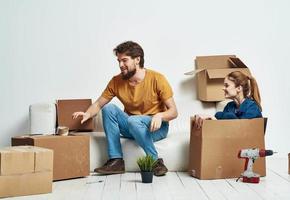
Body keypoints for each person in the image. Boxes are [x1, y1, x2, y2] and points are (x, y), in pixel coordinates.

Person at [72, 41, 178, 176]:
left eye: (124, 60)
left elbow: (174, 111)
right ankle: (116, 161)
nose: (121, 65)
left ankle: (155, 161)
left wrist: (159, 116)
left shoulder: (157, 78)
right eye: (119, 61)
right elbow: (99, 104)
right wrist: (87, 113)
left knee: (133, 120)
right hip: (131, 125)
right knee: (109, 108)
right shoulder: (116, 81)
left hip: (156, 128)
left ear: (137, 59)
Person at [193, 71, 262, 129]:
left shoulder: (252, 107)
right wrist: (209, 118)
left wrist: (215, 118)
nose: (223, 88)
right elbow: (223, 127)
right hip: (231, 143)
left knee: (227, 116)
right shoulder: (229, 106)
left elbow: (241, 130)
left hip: (248, 144)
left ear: (238, 88)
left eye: (226, 85)